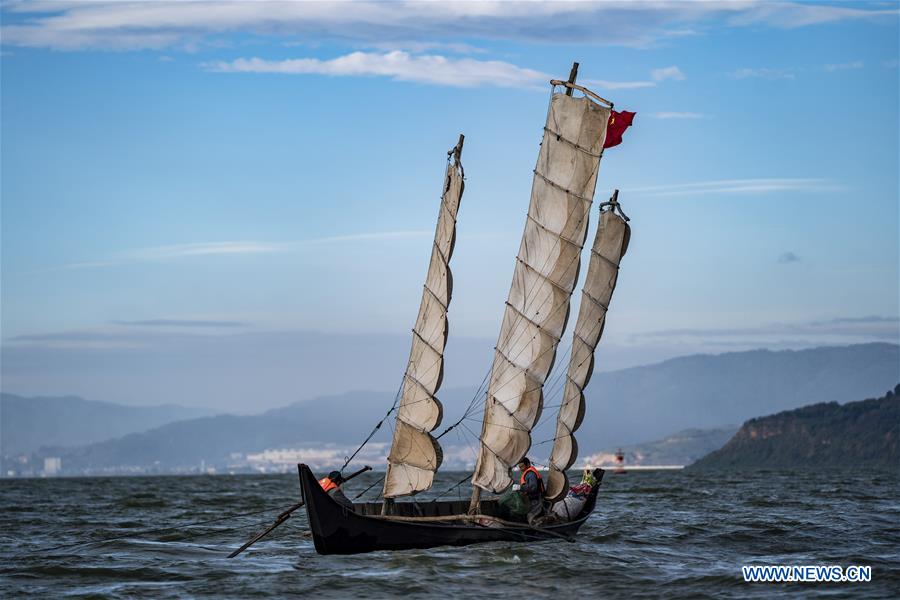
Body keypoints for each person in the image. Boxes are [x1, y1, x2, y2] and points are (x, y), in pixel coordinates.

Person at [516, 457, 545, 524]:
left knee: (530, 516)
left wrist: (520, 487)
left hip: (536, 500)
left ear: (528, 464)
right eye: (519, 467)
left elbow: (533, 487)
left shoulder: (531, 474)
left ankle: (538, 527)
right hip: (531, 499)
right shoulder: (527, 473)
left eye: (522, 466)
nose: (521, 469)